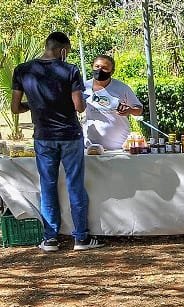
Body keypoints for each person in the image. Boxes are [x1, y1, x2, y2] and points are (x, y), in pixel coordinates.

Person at [11, 31, 103, 252]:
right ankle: (81, 238)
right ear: (63, 50)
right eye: (68, 52)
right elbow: (79, 106)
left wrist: (32, 105)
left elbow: (15, 107)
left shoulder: (22, 70)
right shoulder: (70, 70)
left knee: (48, 186)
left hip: (43, 137)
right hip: (70, 135)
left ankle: (50, 238)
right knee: (75, 185)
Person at [83, 55, 142, 151]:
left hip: (118, 148)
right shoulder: (84, 87)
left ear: (112, 71)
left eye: (105, 68)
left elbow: (139, 110)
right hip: (91, 147)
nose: (100, 70)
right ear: (92, 66)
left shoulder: (122, 88)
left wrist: (130, 110)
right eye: (97, 66)